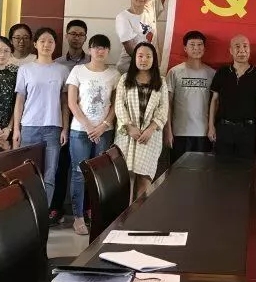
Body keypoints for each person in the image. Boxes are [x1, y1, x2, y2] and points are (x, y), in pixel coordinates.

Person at [67, 34, 120, 235]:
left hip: (104, 132)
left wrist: (104, 125)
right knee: (79, 173)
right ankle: (78, 217)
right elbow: (72, 103)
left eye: (104, 48)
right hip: (80, 131)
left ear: (108, 51)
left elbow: (116, 105)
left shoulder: (114, 74)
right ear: (89, 50)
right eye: (96, 47)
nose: (100, 51)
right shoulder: (78, 71)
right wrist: (89, 126)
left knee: (100, 174)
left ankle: (95, 212)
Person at [12, 27, 70, 209]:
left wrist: (65, 128)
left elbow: (65, 103)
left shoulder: (62, 70)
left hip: (53, 128)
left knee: (50, 175)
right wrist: (16, 129)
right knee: (27, 175)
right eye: (42, 41)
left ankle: (44, 216)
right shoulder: (25, 69)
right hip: (29, 127)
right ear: (35, 44)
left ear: (55, 45)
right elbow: (20, 100)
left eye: (50, 41)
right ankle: (28, 216)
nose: (46, 45)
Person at [114, 42, 169, 196]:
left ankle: (139, 211)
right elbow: (119, 105)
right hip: (128, 135)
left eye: (148, 56)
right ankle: (125, 212)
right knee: (125, 179)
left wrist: (151, 129)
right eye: (140, 56)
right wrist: (129, 127)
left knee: (144, 180)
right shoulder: (125, 79)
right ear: (134, 58)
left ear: (154, 59)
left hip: (150, 137)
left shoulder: (161, 81)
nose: (144, 59)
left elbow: (163, 109)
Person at [51, 19, 91, 225]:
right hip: (63, 122)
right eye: (73, 34)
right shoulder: (57, 64)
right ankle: (56, 208)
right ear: (66, 36)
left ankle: (87, 209)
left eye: (80, 34)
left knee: (86, 168)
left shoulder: (92, 62)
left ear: (85, 38)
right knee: (61, 166)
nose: (76, 38)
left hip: (87, 125)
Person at [208, 34, 256, 158]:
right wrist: (211, 126)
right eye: (237, 46)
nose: (242, 50)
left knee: (246, 167)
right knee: (222, 166)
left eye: (245, 46)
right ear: (231, 50)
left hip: (248, 130)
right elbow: (214, 101)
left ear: (249, 49)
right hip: (224, 129)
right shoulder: (222, 72)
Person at [165, 30, 215, 163]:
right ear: (185, 48)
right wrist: (168, 131)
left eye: (200, 45)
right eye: (192, 45)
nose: (196, 48)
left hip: (204, 133)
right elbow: (168, 104)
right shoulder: (174, 72)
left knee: (201, 172)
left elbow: (215, 104)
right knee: (178, 171)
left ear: (204, 48)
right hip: (179, 133)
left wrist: (212, 128)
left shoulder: (211, 73)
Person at [116, 0, 171, 74]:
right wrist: (145, 69)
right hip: (130, 67)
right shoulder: (123, 17)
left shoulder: (151, 8)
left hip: (151, 66)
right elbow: (130, 49)